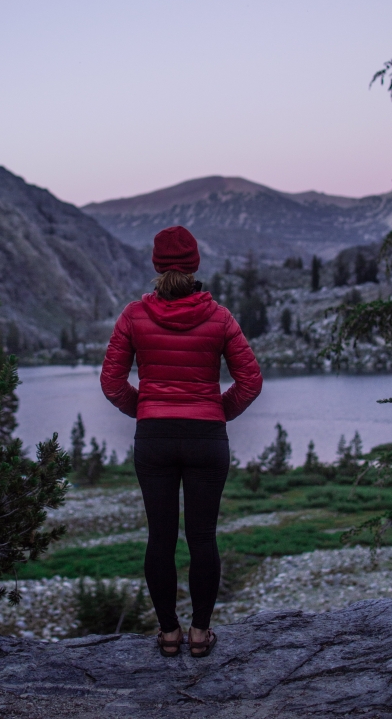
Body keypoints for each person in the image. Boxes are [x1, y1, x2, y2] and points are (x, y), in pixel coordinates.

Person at [100, 225, 263, 657]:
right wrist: (215, 412)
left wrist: (147, 410)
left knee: (161, 538)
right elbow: (251, 381)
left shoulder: (133, 316)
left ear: (156, 266)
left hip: (154, 437)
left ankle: (168, 633)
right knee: (203, 537)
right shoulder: (221, 317)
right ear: (195, 266)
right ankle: (199, 634)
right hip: (206, 438)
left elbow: (112, 382)